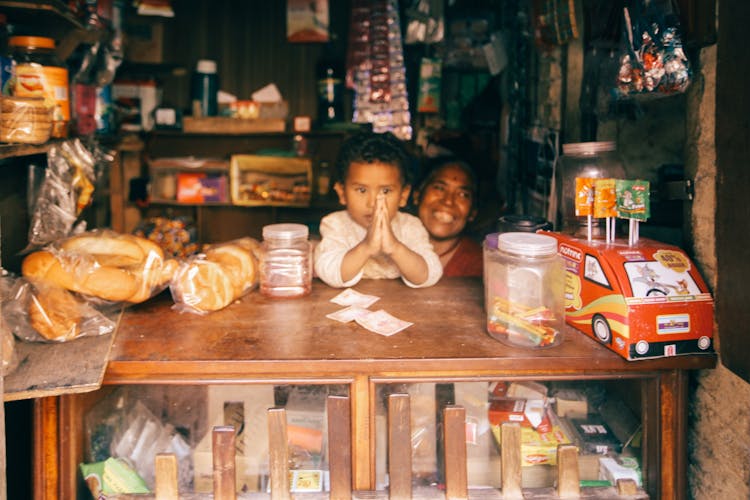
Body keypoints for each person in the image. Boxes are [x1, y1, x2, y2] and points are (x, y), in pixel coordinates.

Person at [314, 131, 443, 288]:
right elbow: (327, 271)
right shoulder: (335, 224)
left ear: (403, 195)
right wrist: (366, 247)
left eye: (385, 191)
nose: (373, 203)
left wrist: (395, 247)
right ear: (342, 193)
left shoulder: (410, 226)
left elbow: (431, 273)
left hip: (403, 308)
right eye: (361, 190)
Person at [412, 156, 483, 277]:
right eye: (439, 188)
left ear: (472, 213)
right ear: (417, 196)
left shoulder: (481, 266)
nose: (448, 201)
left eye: (462, 194)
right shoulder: (388, 248)